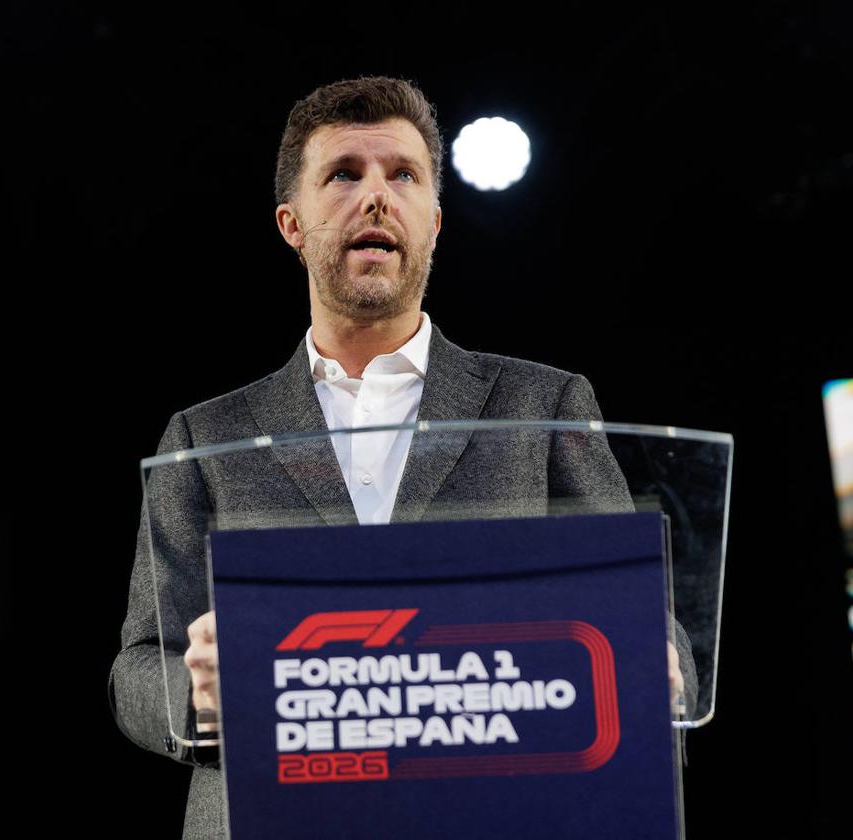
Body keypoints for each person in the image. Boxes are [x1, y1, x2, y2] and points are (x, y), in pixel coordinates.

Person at [109, 76, 696, 839]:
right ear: (292, 223)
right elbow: (136, 668)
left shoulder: (540, 408)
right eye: (344, 174)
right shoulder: (205, 438)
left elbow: (642, 620)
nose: (376, 197)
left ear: (436, 221)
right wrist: (195, 695)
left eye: (404, 175)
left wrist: (659, 664)